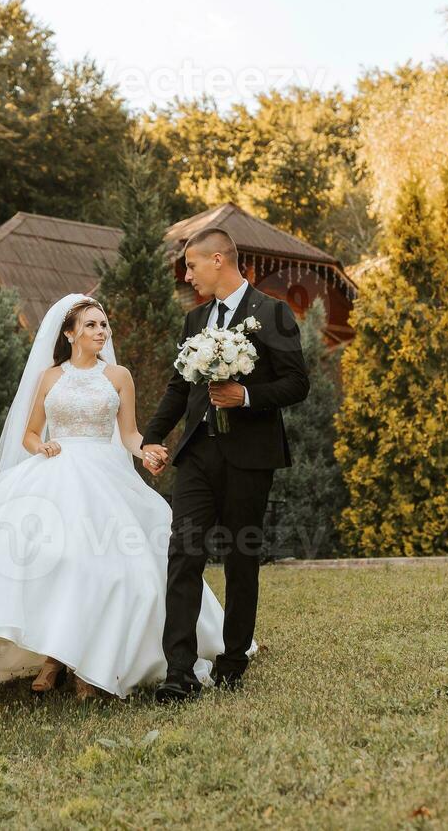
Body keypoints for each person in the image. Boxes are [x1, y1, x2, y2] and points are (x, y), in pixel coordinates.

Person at [0, 293, 234, 712]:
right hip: (56, 471)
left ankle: (89, 665)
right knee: (50, 560)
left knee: (106, 566)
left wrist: (148, 452)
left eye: (103, 325)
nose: (100, 332)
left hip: (104, 477)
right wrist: (43, 447)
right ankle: (54, 656)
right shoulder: (51, 377)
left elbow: (128, 434)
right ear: (69, 333)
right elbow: (29, 433)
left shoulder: (119, 375)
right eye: (90, 325)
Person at [142, 227, 310, 702]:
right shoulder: (194, 319)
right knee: (184, 554)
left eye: (192, 266)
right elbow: (180, 387)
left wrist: (247, 396)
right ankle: (180, 671)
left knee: (241, 559)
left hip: (251, 457)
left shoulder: (272, 313)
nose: (188, 275)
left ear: (219, 260)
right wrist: (153, 436)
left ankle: (233, 660)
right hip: (198, 454)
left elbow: (297, 384)